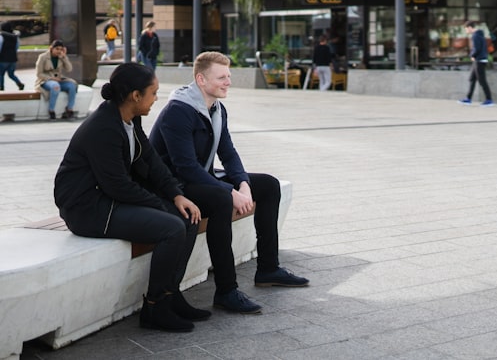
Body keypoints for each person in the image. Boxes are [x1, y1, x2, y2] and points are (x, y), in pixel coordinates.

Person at [149, 52, 309, 316]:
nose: (228, 82)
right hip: (175, 186)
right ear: (201, 79)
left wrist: (243, 184)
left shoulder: (217, 109)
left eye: (229, 76)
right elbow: (185, 167)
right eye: (222, 77)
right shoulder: (178, 111)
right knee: (221, 199)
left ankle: (268, 268)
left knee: (268, 185)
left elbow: (229, 153)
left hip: (201, 177)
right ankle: (226, 290)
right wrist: (229, 192)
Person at [54, 63, 207, 332]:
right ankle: (155, 308)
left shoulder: (129, 119)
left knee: (187, 217)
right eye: (153, 93)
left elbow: (151, 159)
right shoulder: (104, 128)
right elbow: (118, 187)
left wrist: (176, 196)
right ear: (136, 95)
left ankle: (171, 295)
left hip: (109, 198)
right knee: (172, 228)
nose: (156, 99)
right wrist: (160, 204)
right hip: (87, 209)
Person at [35, 40, 78, 120]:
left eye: (61, 49)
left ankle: (69, 110)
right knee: (55, 86)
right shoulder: (43, 57)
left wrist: (64, 57)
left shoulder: (61, 57)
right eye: (57, 49)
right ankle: (51, 111)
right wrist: (51, 78)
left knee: (72, 86)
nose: (59, 51)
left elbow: (69, 69)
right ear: (51, 48)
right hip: (45, 80)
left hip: (59, 79)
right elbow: (39, 74)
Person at [459, 20, 493, 106]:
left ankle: (489, 100)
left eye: (466, 29)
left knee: (482, 81)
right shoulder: (480, 35)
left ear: (470, 28)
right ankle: (468, 98)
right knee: (472, 79)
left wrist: (472, 55)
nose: (466, 31)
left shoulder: (475, 36)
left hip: (479, 60)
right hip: (480, 60)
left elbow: (476, 48)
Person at [0, 22, 25, 90]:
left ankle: (1, 87)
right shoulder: (15, 37)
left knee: (1, 73)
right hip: (13, 59)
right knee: (11, 74)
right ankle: (19, 83)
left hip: (3, 59)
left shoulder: (2, 36)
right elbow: (17, 47)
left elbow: (0, 46)